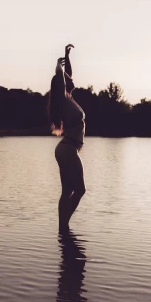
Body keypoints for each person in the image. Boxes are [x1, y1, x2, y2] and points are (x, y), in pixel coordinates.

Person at [48, 44, 86, 230]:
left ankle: (62, 228)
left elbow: (68, 75)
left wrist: (66, 56)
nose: (72, 80)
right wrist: (58, 65)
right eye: (67, 79)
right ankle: (64, 226)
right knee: (80, 190)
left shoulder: (68, 98)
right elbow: (61, 76)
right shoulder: (62, 98)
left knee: (68, 191)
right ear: (63, 84)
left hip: (66, 149)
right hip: (68, 149)